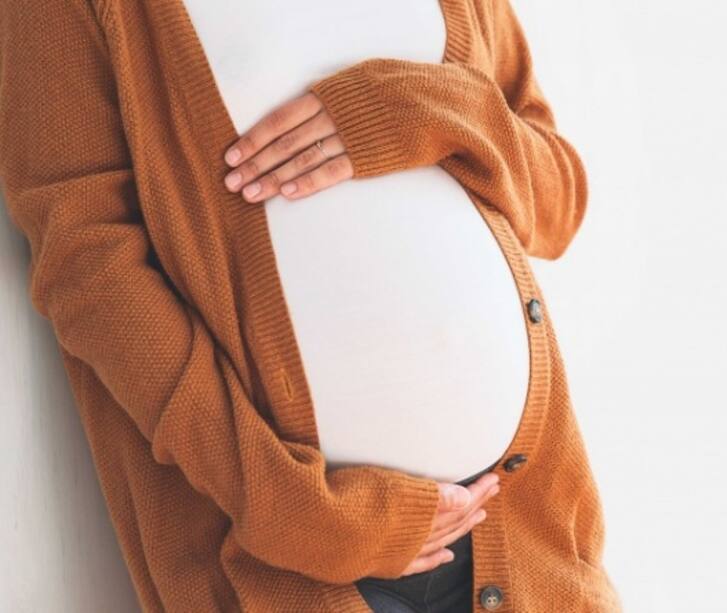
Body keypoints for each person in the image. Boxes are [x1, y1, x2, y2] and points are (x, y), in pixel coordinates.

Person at [0, 0, 621, 611]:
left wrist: (426, 108)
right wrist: (285, 508)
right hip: (285, 555)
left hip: (520, 521)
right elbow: (86, 264)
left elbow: (557, 204)